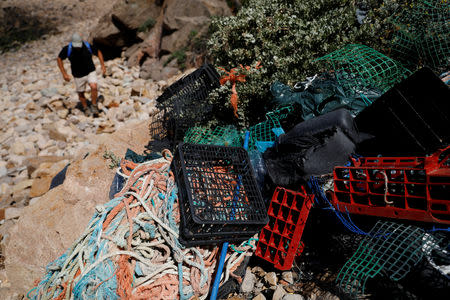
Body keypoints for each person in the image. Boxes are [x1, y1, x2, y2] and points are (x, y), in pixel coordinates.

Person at [57, 33, 106, 115]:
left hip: (90, 71)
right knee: (81, 92)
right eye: (76, 46)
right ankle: (85, 108)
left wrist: (103, 65)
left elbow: (98, 52)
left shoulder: (87, 46)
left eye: (79, 45)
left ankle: (94, 106)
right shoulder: (67, 49)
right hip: (78, 74)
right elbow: (59, 58)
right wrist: (64, 73)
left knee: (94, 86)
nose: (77, 47)